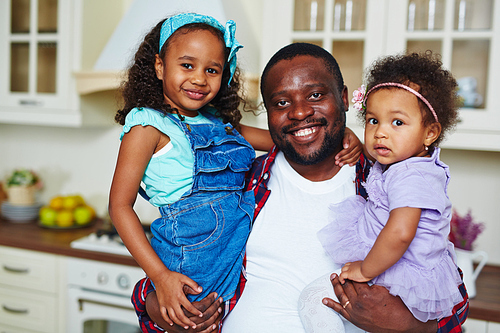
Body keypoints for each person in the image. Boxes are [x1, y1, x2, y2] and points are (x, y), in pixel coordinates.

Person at [131, 43, 469, 333]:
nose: (300, 112)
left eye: (316, 95)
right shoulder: (239, 183)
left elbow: (447, 294)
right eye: (281, 103)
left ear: (346, 99)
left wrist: (415, 326)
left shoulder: (385, 183)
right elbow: (181, 264)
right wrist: (156, 306)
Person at [109, 14, 360, 331]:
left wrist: (344, 135)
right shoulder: (147, 125)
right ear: (159, 66)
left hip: (230, 257)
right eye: (187, 65)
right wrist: (160, 278)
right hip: (189, 255)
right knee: (191, 318)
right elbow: (119, 206)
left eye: (211, 70)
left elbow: (289, 137)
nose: (200, 79)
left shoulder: (219, 123)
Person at [300, 51, 463, 332]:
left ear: (430, 132)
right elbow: (374, 151)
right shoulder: (406, 164)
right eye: (373, 121)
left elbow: (400, 233)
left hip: (396, 271)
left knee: (315, 300)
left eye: (397, 122)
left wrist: (365, 270)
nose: (380, 133)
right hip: (393, 266)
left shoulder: (410, 175)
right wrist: (352, 140)